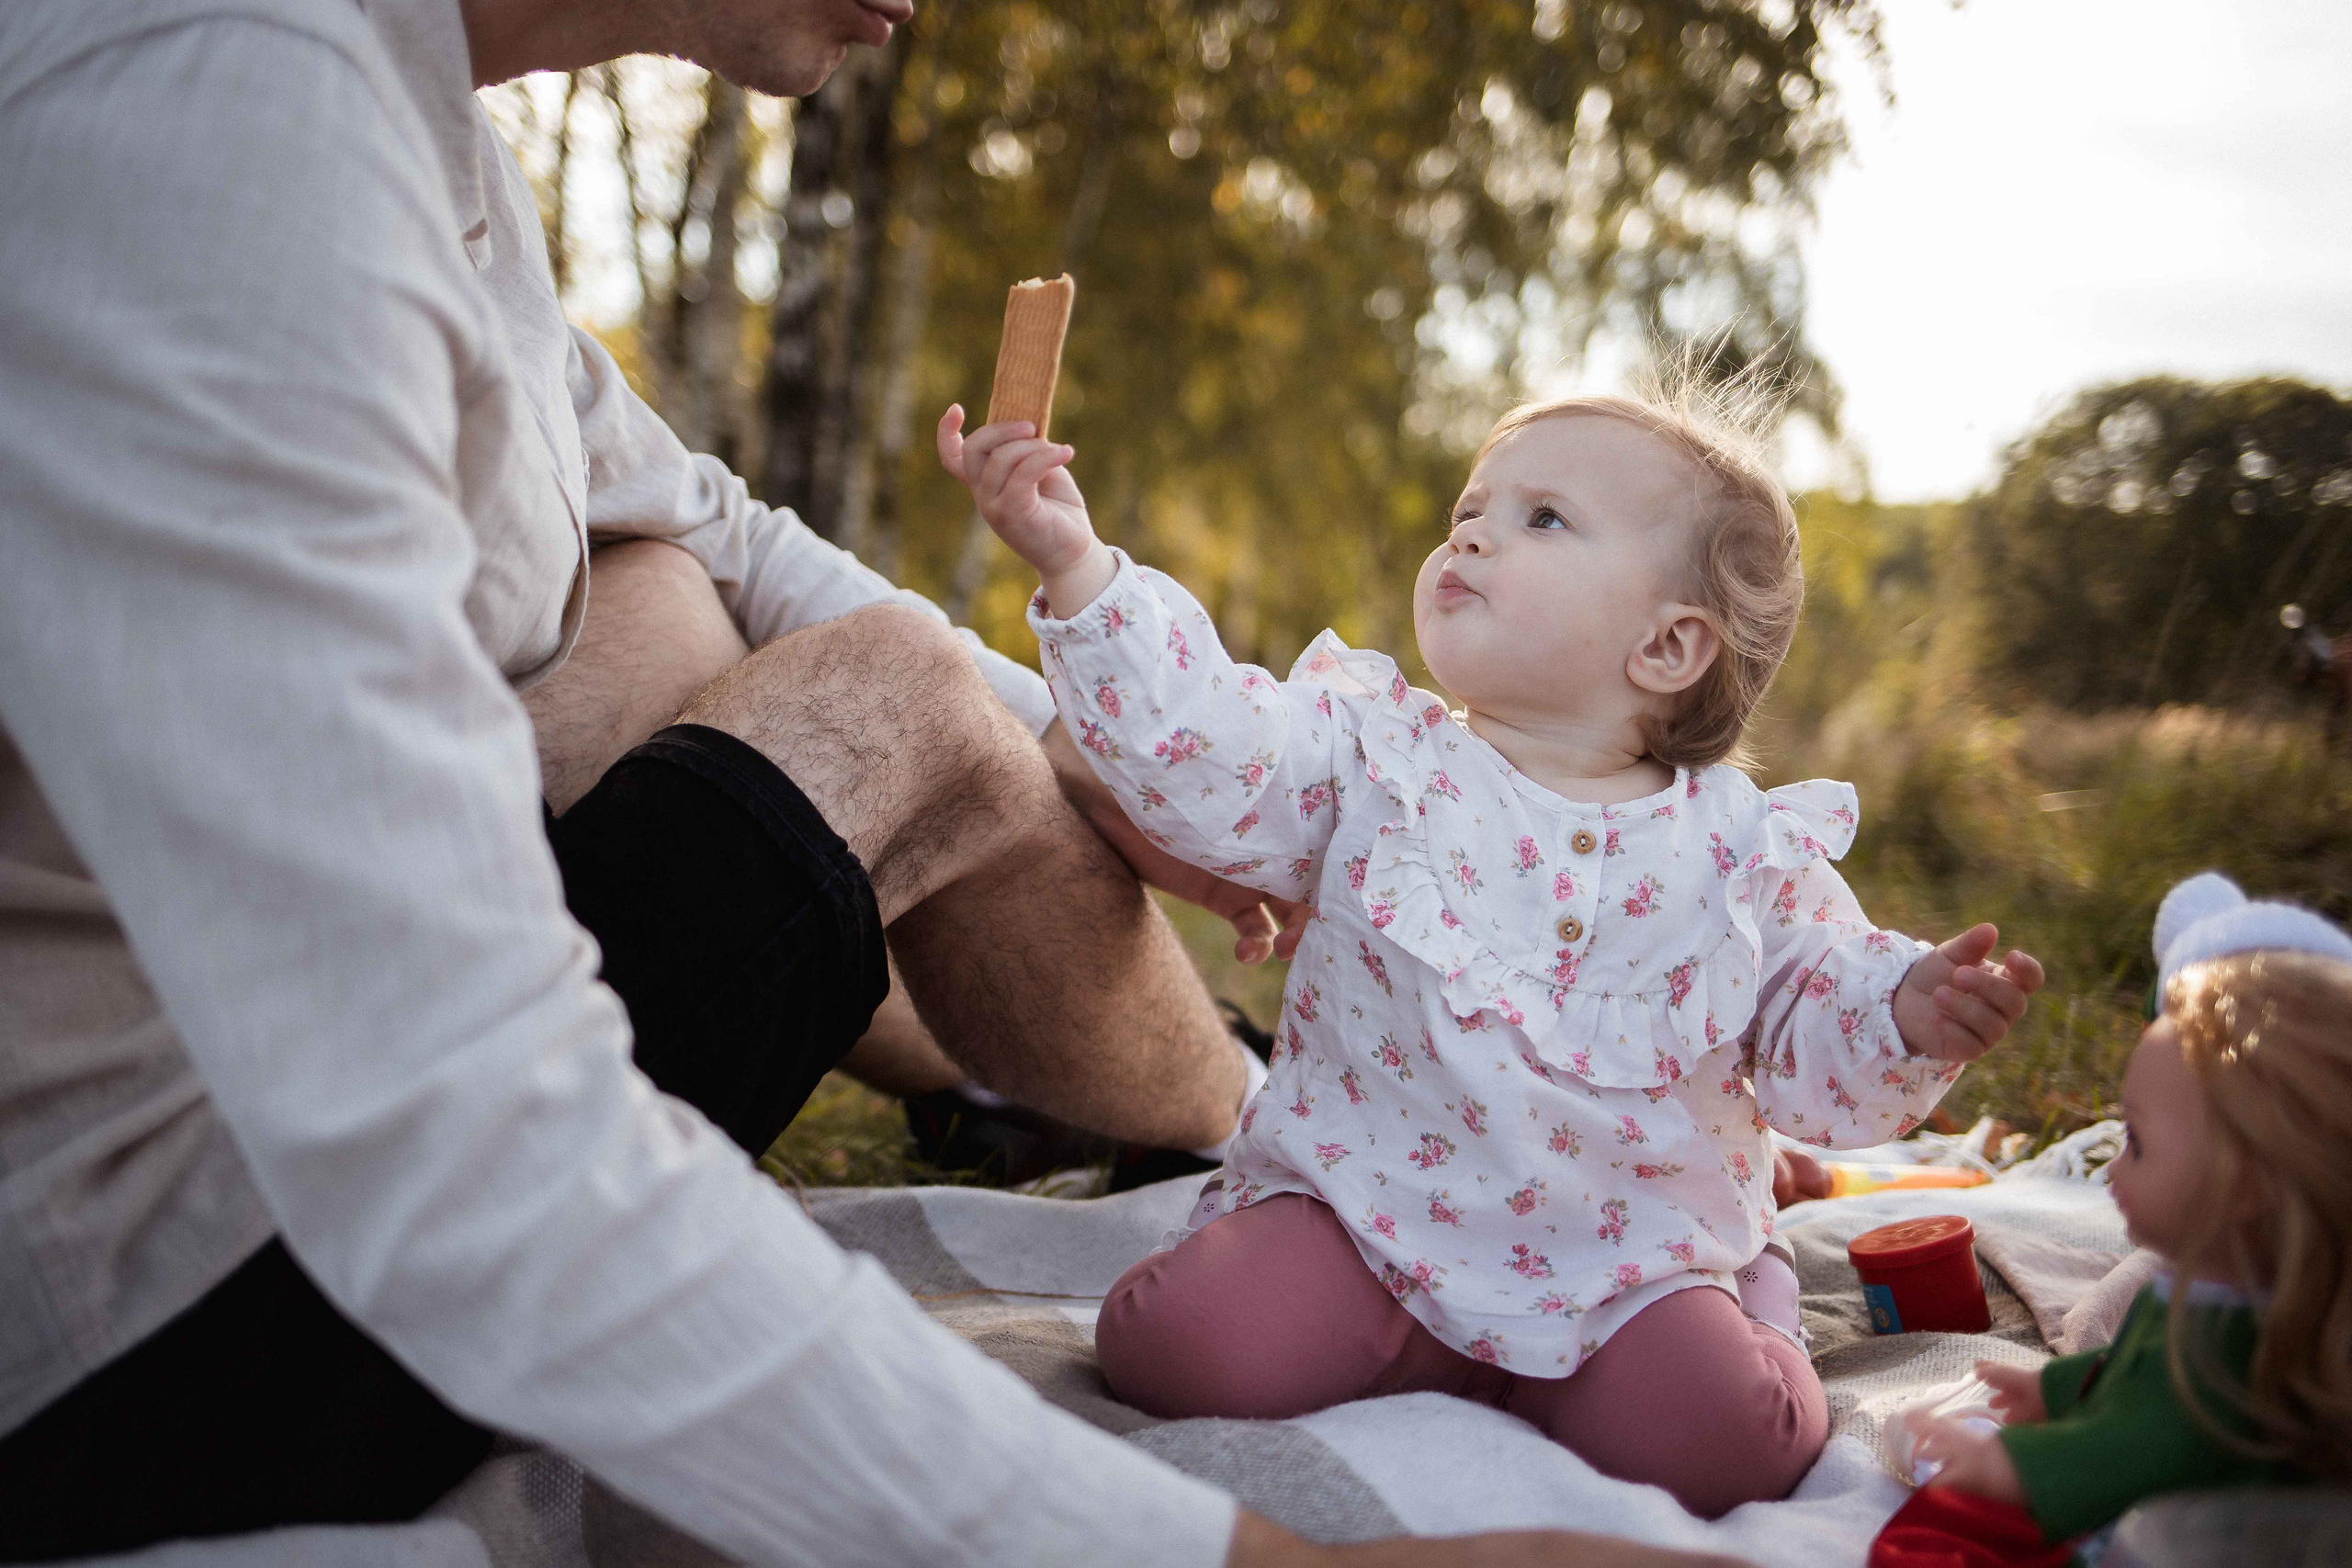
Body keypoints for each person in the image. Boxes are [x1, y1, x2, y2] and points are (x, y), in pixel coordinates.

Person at [0, 0, 1742, 1563]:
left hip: (240, 1151)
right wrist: (1252, 1558)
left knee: (677, 590)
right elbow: (456, 1147)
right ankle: (1242, 1118)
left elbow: (712, 524)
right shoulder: (223, 118)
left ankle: (1245, 1112)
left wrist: (1092, 750)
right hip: (123, 1327)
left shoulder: (412, 121)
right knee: (858, 680)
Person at [936, 389, 2047, 1518]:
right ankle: (1387, 1329)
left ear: (1666, 645)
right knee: (1176, 1351)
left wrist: (1904, 1010)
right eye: (1472, 509)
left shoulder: (1740, 855)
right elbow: (1209, 748)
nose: (1469, 534)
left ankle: (1743, 1291)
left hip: (1626, 1266)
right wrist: (1079, 568)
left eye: (1542, 519)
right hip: (1370, 1218)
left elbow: (1815, 1050)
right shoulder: (1373, 758)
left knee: (1728, 1444)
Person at [1891, 873, 2347, 1556]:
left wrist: (2001, 1464)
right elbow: (2131, 1370)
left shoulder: (2241, 1339)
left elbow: (2142, 1437)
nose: (2111, 1168)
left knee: (1933, 1534)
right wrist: (2050, 1387)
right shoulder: (2230, 1285)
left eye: (2135, 1143)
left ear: (2244, 1182)